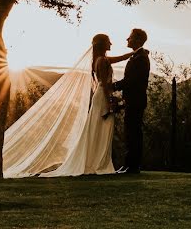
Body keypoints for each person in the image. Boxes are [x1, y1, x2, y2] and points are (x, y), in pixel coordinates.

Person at [39, 33, 132, 177]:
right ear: (102, 44)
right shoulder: (102, 61)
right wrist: (111, 102)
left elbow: (119, 59)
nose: (111, 44)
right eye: (108, 42)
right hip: (103, 97)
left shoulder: (100, 59)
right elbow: (105, 84)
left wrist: (134, 53)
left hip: (101, 96)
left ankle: (96, 161)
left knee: (98, 129)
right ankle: (97, 163)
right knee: (100, 129)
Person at [113, 28, 150, 174]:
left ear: (138, 40)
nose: (127, 39)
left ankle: (133, 166)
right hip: (133, 100)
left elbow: (131, 80)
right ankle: (129, 164)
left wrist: (114, 86)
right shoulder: (137, 56)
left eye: (130, 37)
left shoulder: (141, 57)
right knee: (130, 133)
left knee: (133, 133)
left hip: (136, 101)